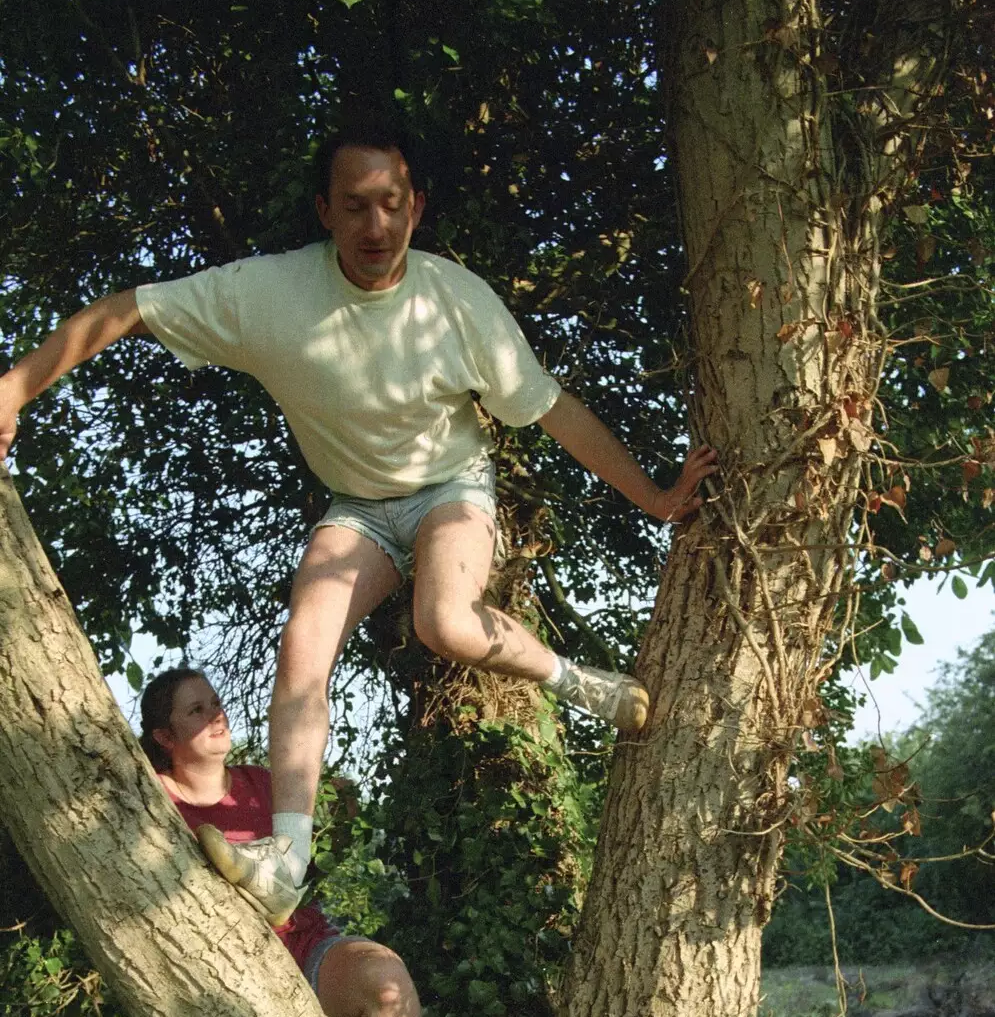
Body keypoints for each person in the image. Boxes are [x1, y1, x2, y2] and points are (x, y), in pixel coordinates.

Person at [0, 121, 717, 926]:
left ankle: (580, 685)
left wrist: (653, 498)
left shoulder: (456, 301)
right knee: (304, 640)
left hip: (451, 484)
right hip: (356, 510)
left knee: (444, 620)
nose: (376, 227)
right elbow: (127, 310)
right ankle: (286, 858)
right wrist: (15, 388)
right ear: (324, 212)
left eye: (390, 204)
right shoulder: (268, 293)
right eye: (355, 207)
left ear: (415, 206)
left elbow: (553, 413)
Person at [139, 665, 464, 1017]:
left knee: (384, 978)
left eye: (214, 702)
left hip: (302, 943)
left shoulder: (263, 785)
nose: (215, 715)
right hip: (226, 977)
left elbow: (329, 837)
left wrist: (336, 809)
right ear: (164, 735)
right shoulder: (153, 804)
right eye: (195, 710)